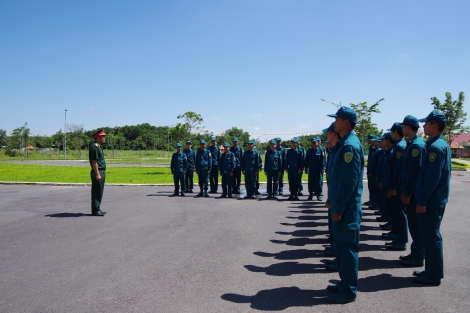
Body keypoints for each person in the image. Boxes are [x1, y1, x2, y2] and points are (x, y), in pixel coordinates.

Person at [325, 106, 364, 304]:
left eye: (337, 119)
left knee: (348, 250)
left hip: (347, 209)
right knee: (341, 248)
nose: (334, 122)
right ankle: (344, 282)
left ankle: (349, 290)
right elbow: (337, 179)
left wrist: (338, 207)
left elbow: (348, 182)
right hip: (341, 206)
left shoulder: (349, 146)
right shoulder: (344, 144)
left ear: (346, 122)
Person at [413, 110, 451, 286]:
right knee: (429, 236)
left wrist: (422, 200)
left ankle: (434, 274)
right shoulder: (437, 144)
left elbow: (432, 178)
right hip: (434, 199)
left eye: (426, 123)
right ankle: (430, 270)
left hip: (432, 201)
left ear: (434, 126)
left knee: (431, 236)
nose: (423, 126)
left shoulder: (436, 147)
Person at [399, 115, 426, 267]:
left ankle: (418, 257)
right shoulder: (412, 144)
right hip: (411, 192)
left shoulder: (416, 146)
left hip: (414, 194)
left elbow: (414, 173)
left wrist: (408, 193)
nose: (402, 129)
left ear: (408, 127)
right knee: (413, 226)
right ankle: (415, 253)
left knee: (416, 226)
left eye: (403, 126)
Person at [385, 122, 408, 251]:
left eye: (392, 132)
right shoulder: (398, 146)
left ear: (396, 132)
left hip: (398, 187)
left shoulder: (400, 147)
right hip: (396, 185)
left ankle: (402, 240)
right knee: (397, 213)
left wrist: (393, 186)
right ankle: (398, 237)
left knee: (400, 214)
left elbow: (398, 170)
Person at [324, 123, 341, 263]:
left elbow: (347, 181)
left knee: (342, 235)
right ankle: (335, 250)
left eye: (328, 133)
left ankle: (348, 282)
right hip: (334, 197)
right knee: (335, 229)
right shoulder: (335, 150)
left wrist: (338, 204)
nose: (326, 136)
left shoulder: (346, 148)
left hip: (340, 200)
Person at [89, 129, 107, 216]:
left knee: (100, 191)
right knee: (96, 191)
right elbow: (94, 161)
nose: (105, 138)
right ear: (98, 137)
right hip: (98, 171)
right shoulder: (94, 147)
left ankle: (98, 207)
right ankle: (95, 210)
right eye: (103, 136)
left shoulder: (99, 146)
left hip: (102, 170)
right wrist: (97, 174)